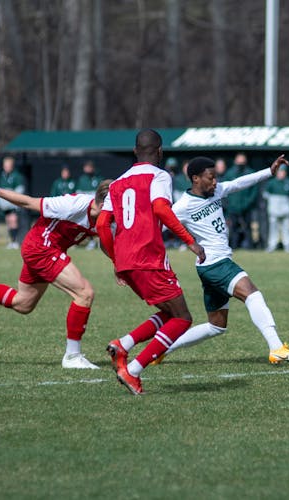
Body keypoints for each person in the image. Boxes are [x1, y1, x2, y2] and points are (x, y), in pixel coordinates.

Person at [0, 179, 112, 369]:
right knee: (84, 293)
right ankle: (72, 356)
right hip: (41, 249)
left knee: (23, 304)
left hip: (41, 248)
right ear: (102, 205)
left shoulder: (104, 216)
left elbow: (105, 239)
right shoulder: (74, 205)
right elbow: (28, 202)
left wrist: (117, 264)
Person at [162, 156, 289, 363]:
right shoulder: (182, 206)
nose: (214, 182)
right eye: (210, 178)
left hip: (210, 265)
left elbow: (240, 183)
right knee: (253, 295)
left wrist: (269, 171)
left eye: (216, 178)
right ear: (195, 179)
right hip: (216, 263)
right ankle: (276, 348)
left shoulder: (216, 190)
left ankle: (162, 349)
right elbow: (158, 227)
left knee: (216, 326)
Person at [98, 129, 205, 395]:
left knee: (170, 312)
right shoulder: (159, 175)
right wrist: (189, 240)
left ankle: (122, 344)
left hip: (125, 261)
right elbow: (160, 208)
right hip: (149, 258)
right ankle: (133, 370)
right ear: (160, 152)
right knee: (182, 318)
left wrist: (115, 261)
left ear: (135, 151)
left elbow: (102, 225)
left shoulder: (117, 182)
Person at [223, 153, 258, 249]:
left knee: (247, 228)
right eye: (239, 161)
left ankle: (250, 247)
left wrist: (247, 203)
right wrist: (229, 204)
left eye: (242, 161)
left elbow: (254, 190)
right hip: (233, 207)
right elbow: (225, 190)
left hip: (246, 206)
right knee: (233, 228)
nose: (241, 163)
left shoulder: (250, 173)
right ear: (235, 161)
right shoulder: (229, 173)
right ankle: (233, 246)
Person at [264, 163, 289, 253]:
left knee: (286, 228)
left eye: (283, 171)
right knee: (273, 228)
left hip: (285, 210)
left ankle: (288, 245)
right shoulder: (271, 183)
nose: (282, 173)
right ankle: (272, 245)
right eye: (280, 171)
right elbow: (266, 195)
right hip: (274, 210)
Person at [0, 156, 26, 249]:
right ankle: (12, 241)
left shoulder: (17, 176)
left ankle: (16, 241)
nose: (6, 167)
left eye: (8, 165)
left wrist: (13, 199)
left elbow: (20, 190)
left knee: (13, 220)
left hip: (13, 204)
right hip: (6, 205)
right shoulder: (3, 176)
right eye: (5, 165)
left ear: (12, 166)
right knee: (8, 221)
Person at [76, 161, 103, 250]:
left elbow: (102, 193)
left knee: (100, 224)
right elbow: (79, 193)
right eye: (87, 167)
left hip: (97, 206)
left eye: (90, 167)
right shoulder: (81, 179)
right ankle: (91, 241)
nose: (88, 169)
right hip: (87, 208)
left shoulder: (98, 179)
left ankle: (101, 241)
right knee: (88, 224)